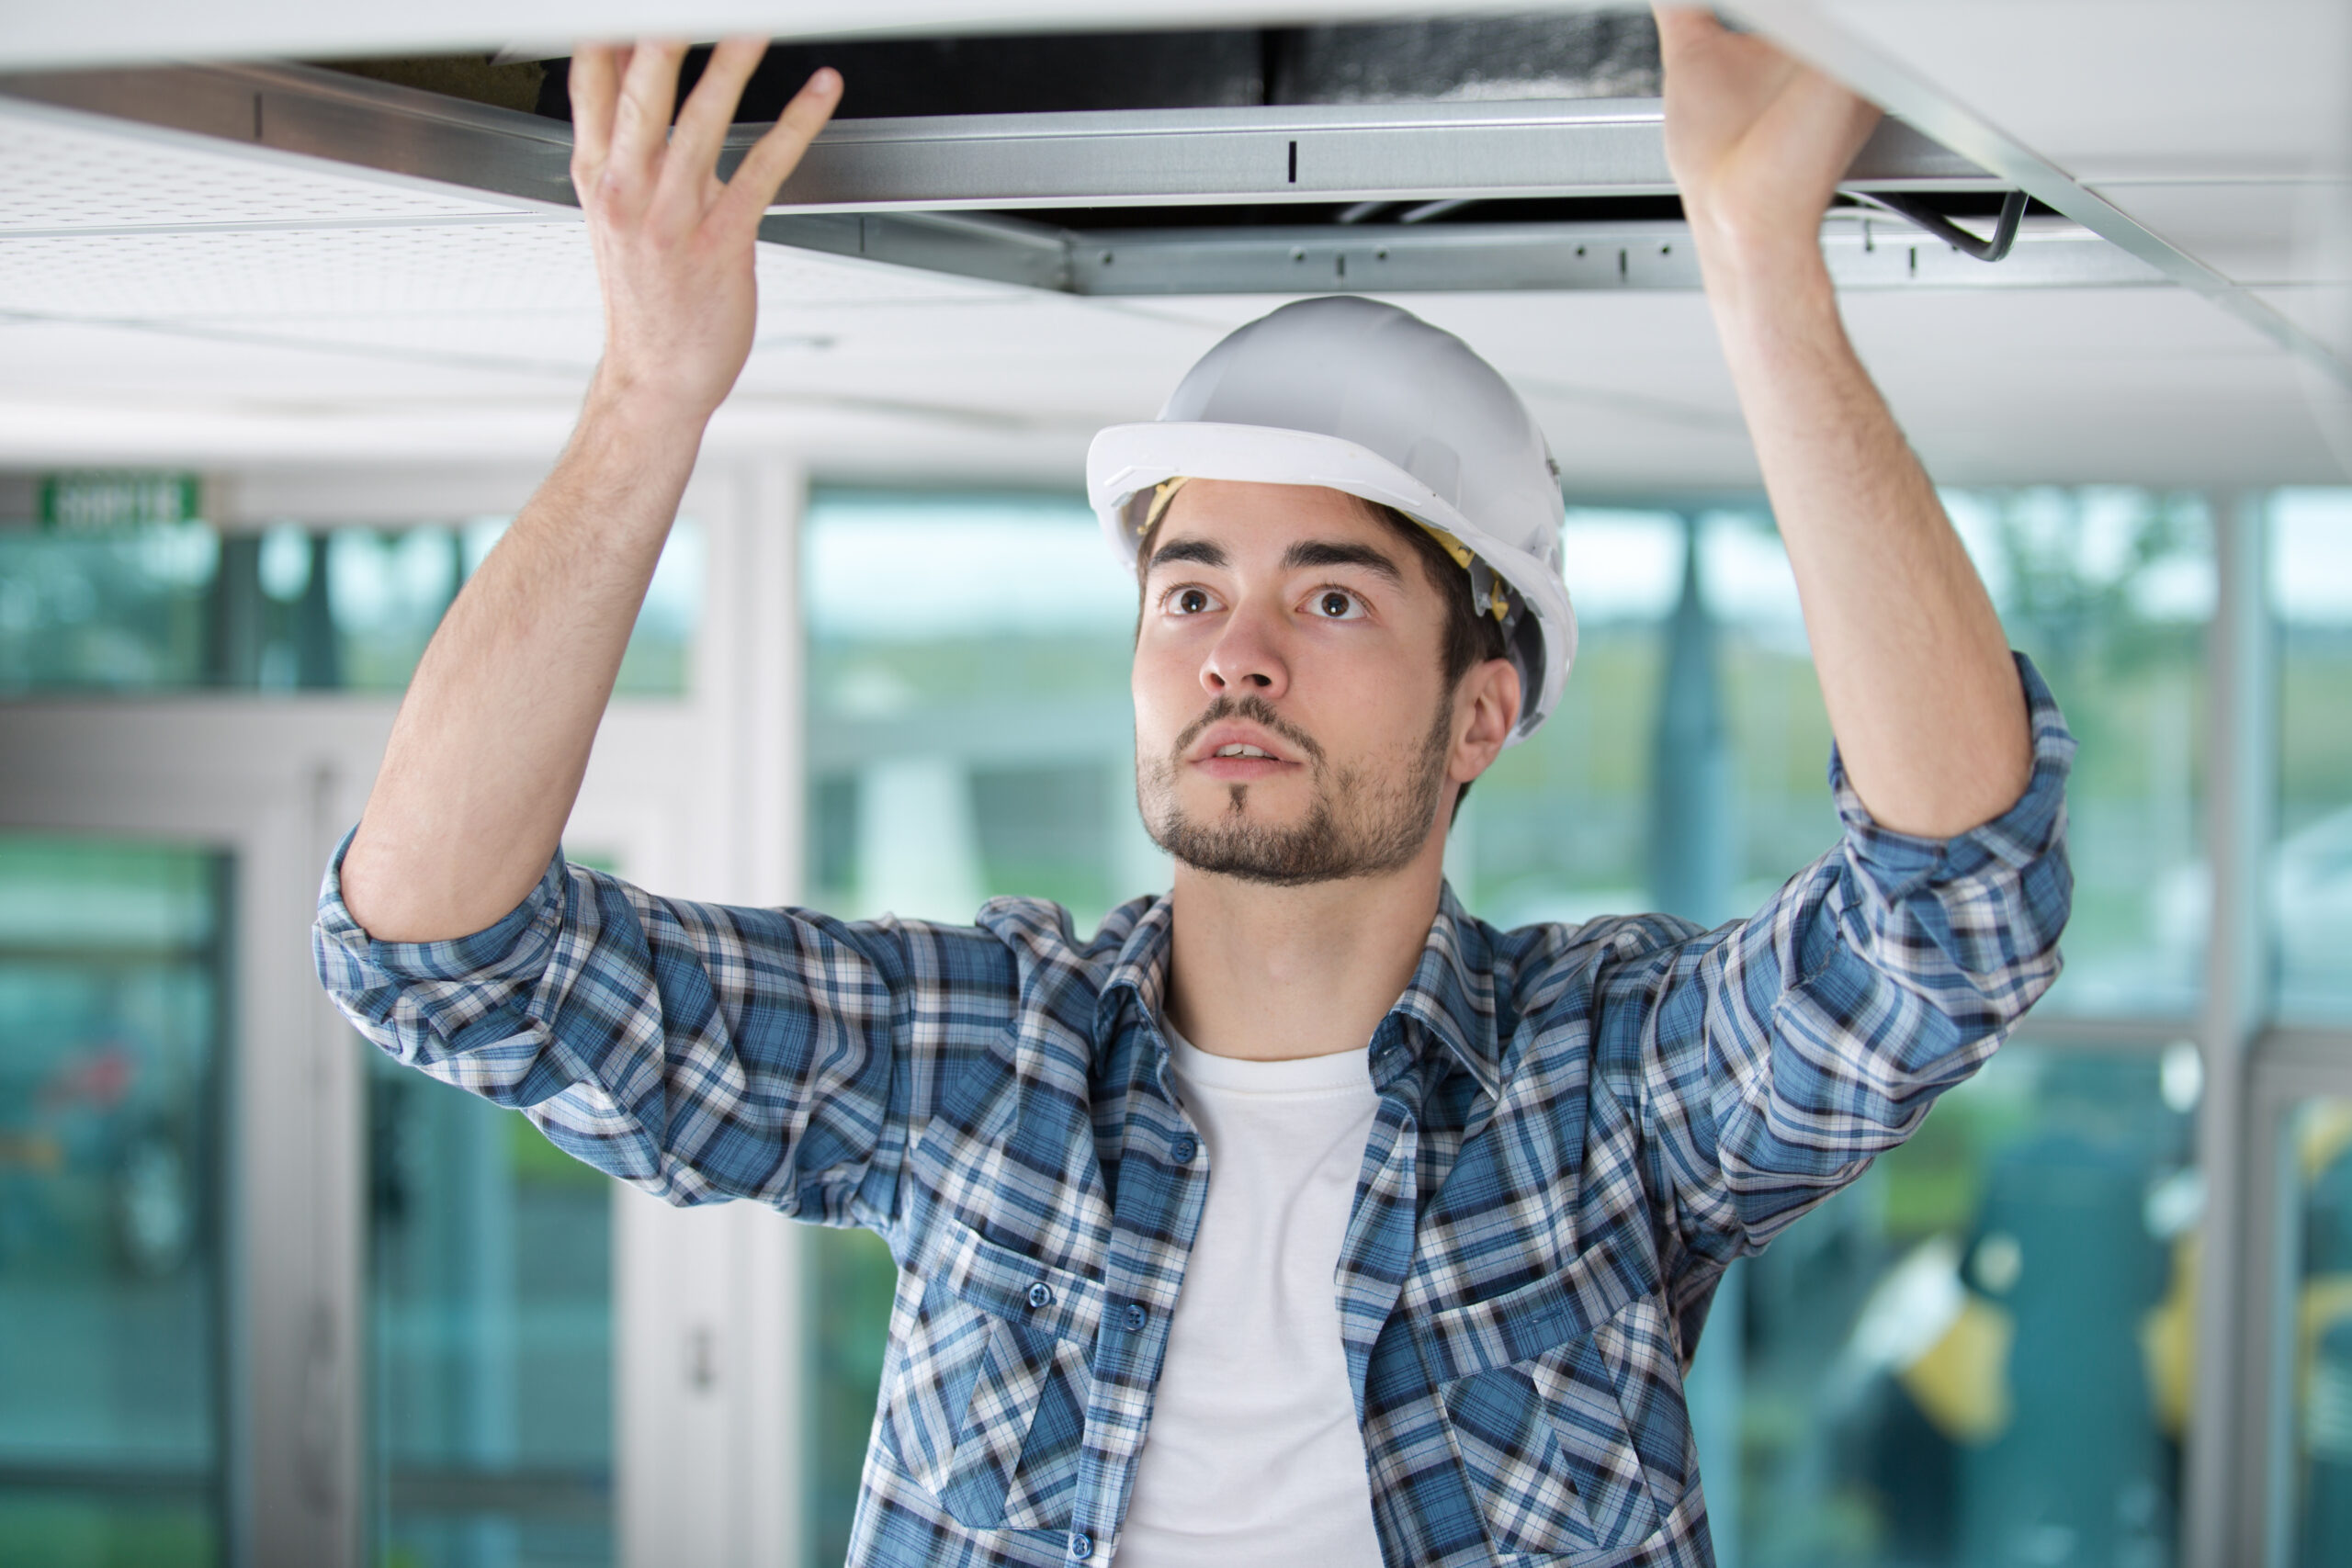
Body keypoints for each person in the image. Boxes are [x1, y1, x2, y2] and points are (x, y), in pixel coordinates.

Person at [313, 10, 2075, 1566]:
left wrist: (1765, 264)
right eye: (1189, 591)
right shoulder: (982, 1063)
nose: (1237, 652)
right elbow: (443, 950)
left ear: (1484, 712)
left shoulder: (1599, 1096)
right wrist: (646, 395)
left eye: (1330, 596)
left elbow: (1949, 921)